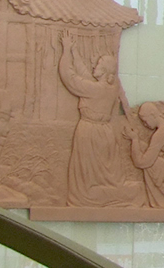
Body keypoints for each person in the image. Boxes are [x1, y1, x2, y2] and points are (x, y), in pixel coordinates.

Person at [56, 39, 140, 207]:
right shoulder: (111, 88)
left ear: (105, 71)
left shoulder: (94, 89)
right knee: (105, 175)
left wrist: (65, 50)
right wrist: (74, 52)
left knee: (87, 176)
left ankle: (90, 197)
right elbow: (85, 74)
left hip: (90, 132)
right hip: (106, 132)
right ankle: (110, 192)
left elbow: (69, 77)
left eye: (99, 63)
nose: (95, 65)